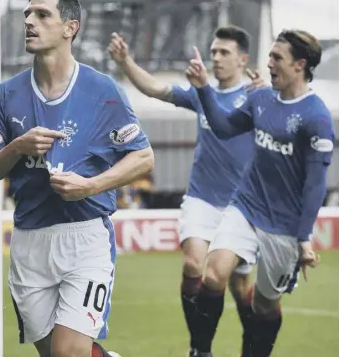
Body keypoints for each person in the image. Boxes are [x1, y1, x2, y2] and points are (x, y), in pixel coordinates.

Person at [0, 0, 154, 357]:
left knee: (68, 352)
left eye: (42, 15)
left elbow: (143, 158)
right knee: (53, 353)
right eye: (27, 14)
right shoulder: (6, 94)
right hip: (28, 241)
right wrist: (17, 147)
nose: (29, 21)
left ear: (70, 27)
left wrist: (90, 185)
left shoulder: (104, 91)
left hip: (85, 239)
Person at [108, 26, 264, 357]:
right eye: (214, 52)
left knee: (237, 286)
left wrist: (271, 94)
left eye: (224, 52)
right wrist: (125, 62)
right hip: (201, 197)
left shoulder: (255, 96)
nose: (216, 58)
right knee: (195, 267)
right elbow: (156, 89)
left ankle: (253, 338)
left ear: (243, 58)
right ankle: (200, 348)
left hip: (242, 207)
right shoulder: (200, 92)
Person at [185, 29, 332, 357]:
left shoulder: (317, 118)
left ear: (300, 65)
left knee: (265, 305)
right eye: (269, 56)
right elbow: (223, 128)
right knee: (213, 274)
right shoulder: (260, 99)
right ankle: (201, 351)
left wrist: (304, 237)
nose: (268, 64)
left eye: (277, 58)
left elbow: (315, 184)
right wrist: (203, 89)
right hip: (247, 206)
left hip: (284, 226)